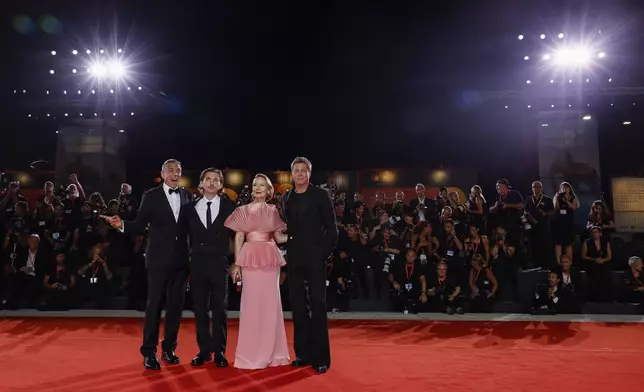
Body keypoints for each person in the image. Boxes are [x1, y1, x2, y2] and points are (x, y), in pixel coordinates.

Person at [102, 159, 193, 371]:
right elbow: (139, 225)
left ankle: (169, 349)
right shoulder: (150, 196)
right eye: (170, 170)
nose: (174, 173)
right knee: (154, 306)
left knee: (175, 308)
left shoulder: (188, 196)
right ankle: (149, 352)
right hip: (158, 260)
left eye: (178, 170)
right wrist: (122, 224)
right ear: (162, 174)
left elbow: (192, 228)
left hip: (181, 261)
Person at [225, 174, 290, 369]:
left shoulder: (273, 211)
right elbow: (238, 238)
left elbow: (279, 238)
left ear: (269, 190)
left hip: (270, 259)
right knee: (251, 305)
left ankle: (274, 354)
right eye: (255, 185)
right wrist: (237, 264)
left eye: (262, 185)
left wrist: (302, 233)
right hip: (250, 258)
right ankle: (250, 354)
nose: (258, 187)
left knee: (271, 305)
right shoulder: (242, 210)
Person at [280, 157, 338, 374]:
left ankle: (320, 358)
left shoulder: (320, 195)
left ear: (310, 173)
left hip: (315, 260)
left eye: (304, 170)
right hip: (294, 260)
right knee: (298, 309)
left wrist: (322, 255)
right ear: (292, 173)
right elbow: (287, 228)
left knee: (318, 307)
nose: (300, 174)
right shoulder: (286, 197)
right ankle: (302, 355)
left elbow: (332, 230)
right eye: (296, 170)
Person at [185, 168, 236, 367]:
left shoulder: (230, 206)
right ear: (201, 183)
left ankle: (220, 352)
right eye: (208, 179)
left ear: (221, 185)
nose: (212, 183)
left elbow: (238, 236)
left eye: (216, 180)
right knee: (200, 309)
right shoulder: (190, 208)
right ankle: (204, 351)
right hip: (197, 263)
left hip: (220, 263)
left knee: (220, 309)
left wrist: (236, 262)